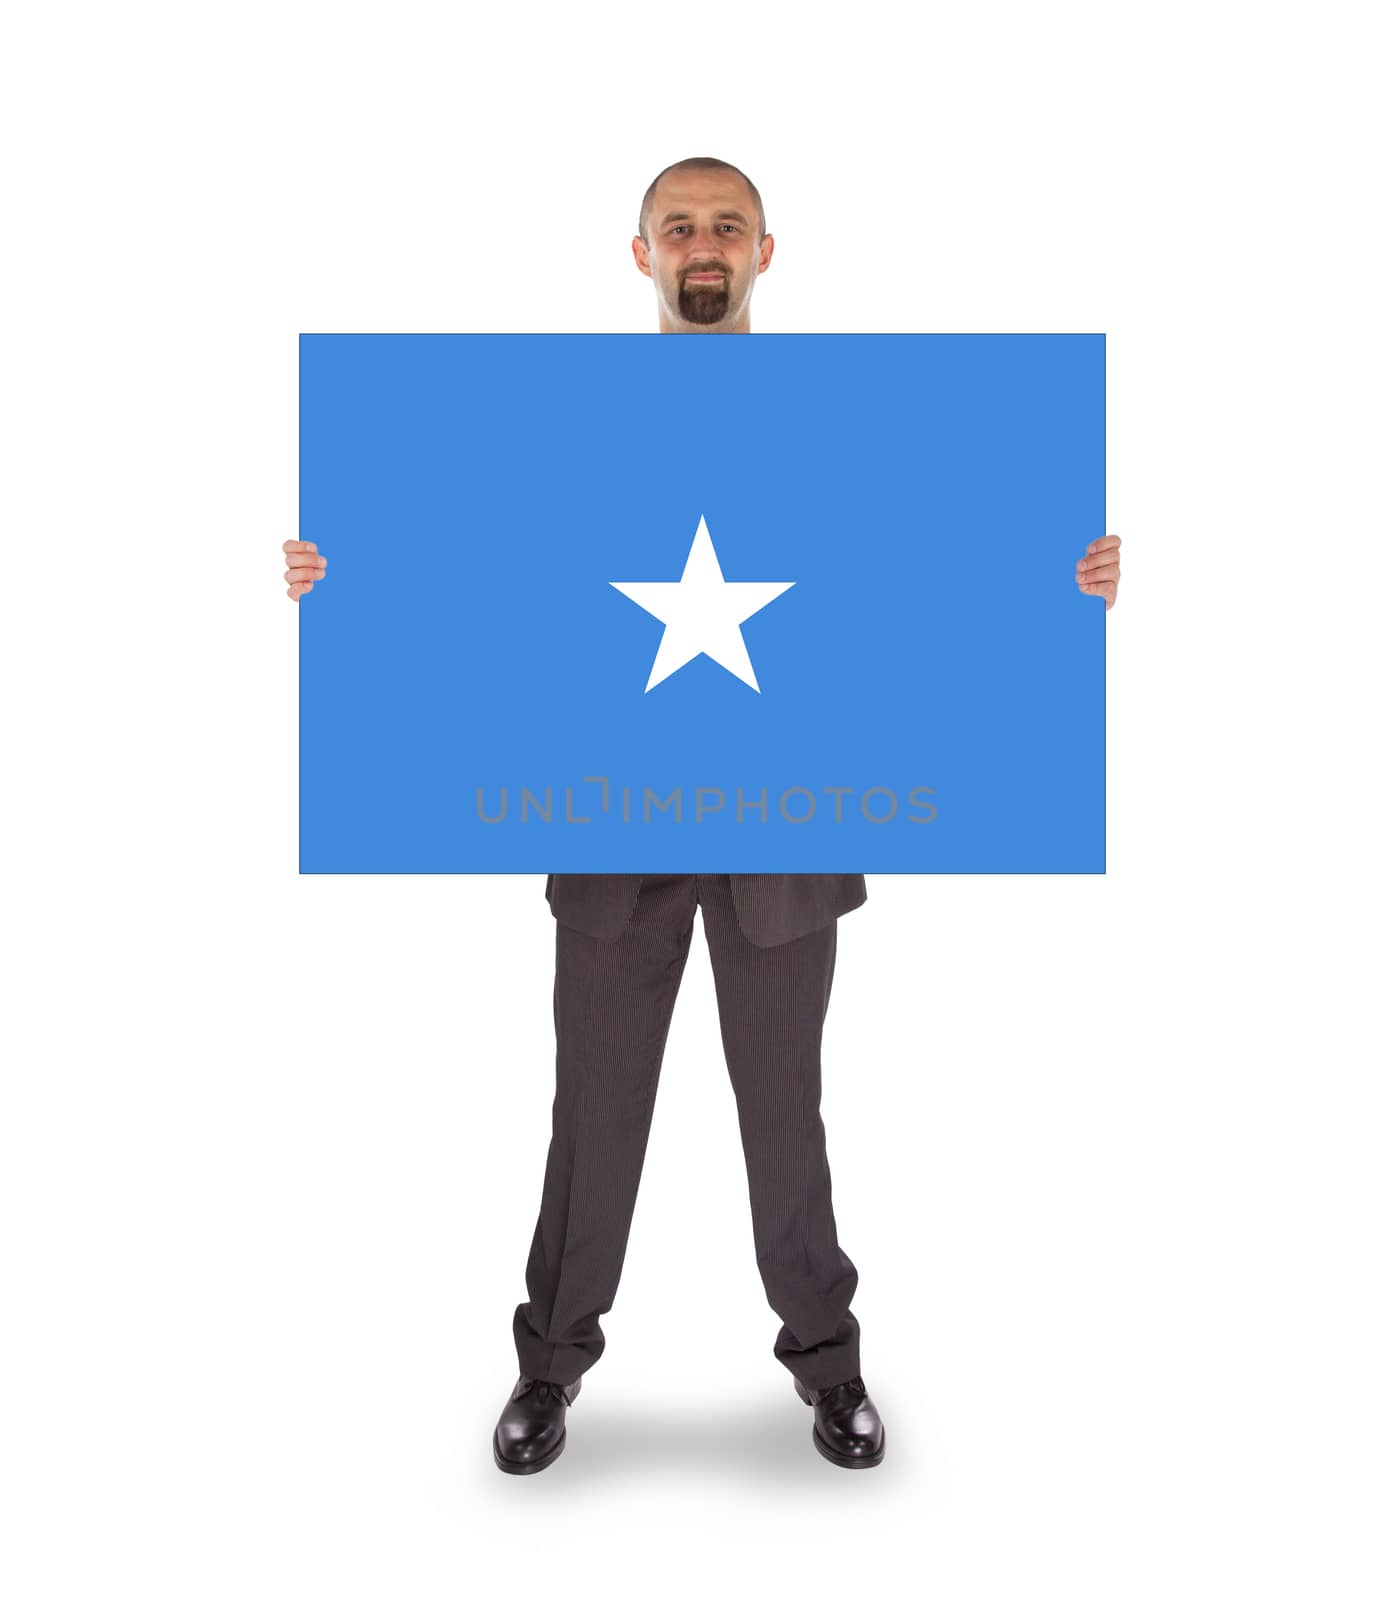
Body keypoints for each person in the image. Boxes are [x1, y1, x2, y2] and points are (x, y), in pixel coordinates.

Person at [283, 156, 1123, 1476]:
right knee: (593, 1114)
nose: (702, 243)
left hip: (783, 829)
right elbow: (483, 563)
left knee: (784, 1115)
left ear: (765, 251)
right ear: (641, 257)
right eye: (679, 226)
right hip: (610, 824)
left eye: (724, 224)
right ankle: (548, 1367)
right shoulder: (574, 421)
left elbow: (918, 564)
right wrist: (350, 577)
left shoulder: (833, 421)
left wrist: (1053, 581)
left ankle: (826, 1364)